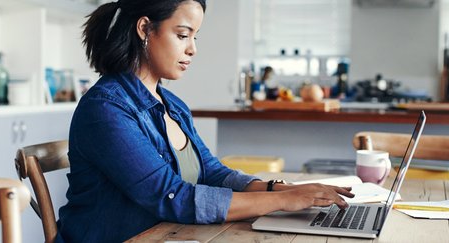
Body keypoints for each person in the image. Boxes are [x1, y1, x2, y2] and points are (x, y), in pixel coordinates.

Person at [57, 0, 355, 242]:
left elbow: (212, 173)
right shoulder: (106, 108)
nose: (192, 49)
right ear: (145, 29)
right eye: (182, 35)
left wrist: (285, 189)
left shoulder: (172, 105)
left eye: (194, 37)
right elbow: (171, 196)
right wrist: (282, 202)